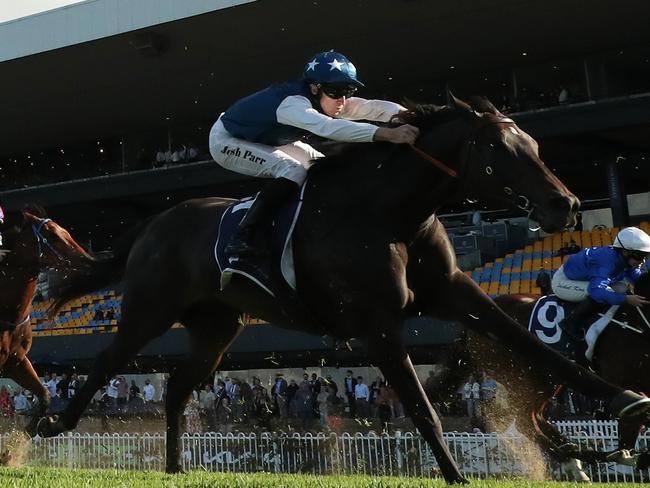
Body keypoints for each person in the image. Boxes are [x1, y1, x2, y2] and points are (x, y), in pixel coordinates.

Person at [209, 50, 419, 258]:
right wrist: (387, 133)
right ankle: (243, 234)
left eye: (349, 90)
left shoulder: (328, 99)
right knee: (293, 171)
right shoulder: (293, 104)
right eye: (336, 92)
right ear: (314, 88)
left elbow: (370, 107)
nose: (343, 101)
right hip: (227, 140)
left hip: (266, 138)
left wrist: (417, 114)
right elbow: (328, 128)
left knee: (322, 167)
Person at [552, 226, 650, 341]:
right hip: (564, 281)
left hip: (586, 278)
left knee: (624, 290)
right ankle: (571, 322)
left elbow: (638, 280)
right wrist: (626, 299)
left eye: (646, 256)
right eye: (640, 256)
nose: (643, 261)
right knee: (609, 293)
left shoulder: (625, 259)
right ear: (625, 252)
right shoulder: (607, 262)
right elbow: (596, 291)